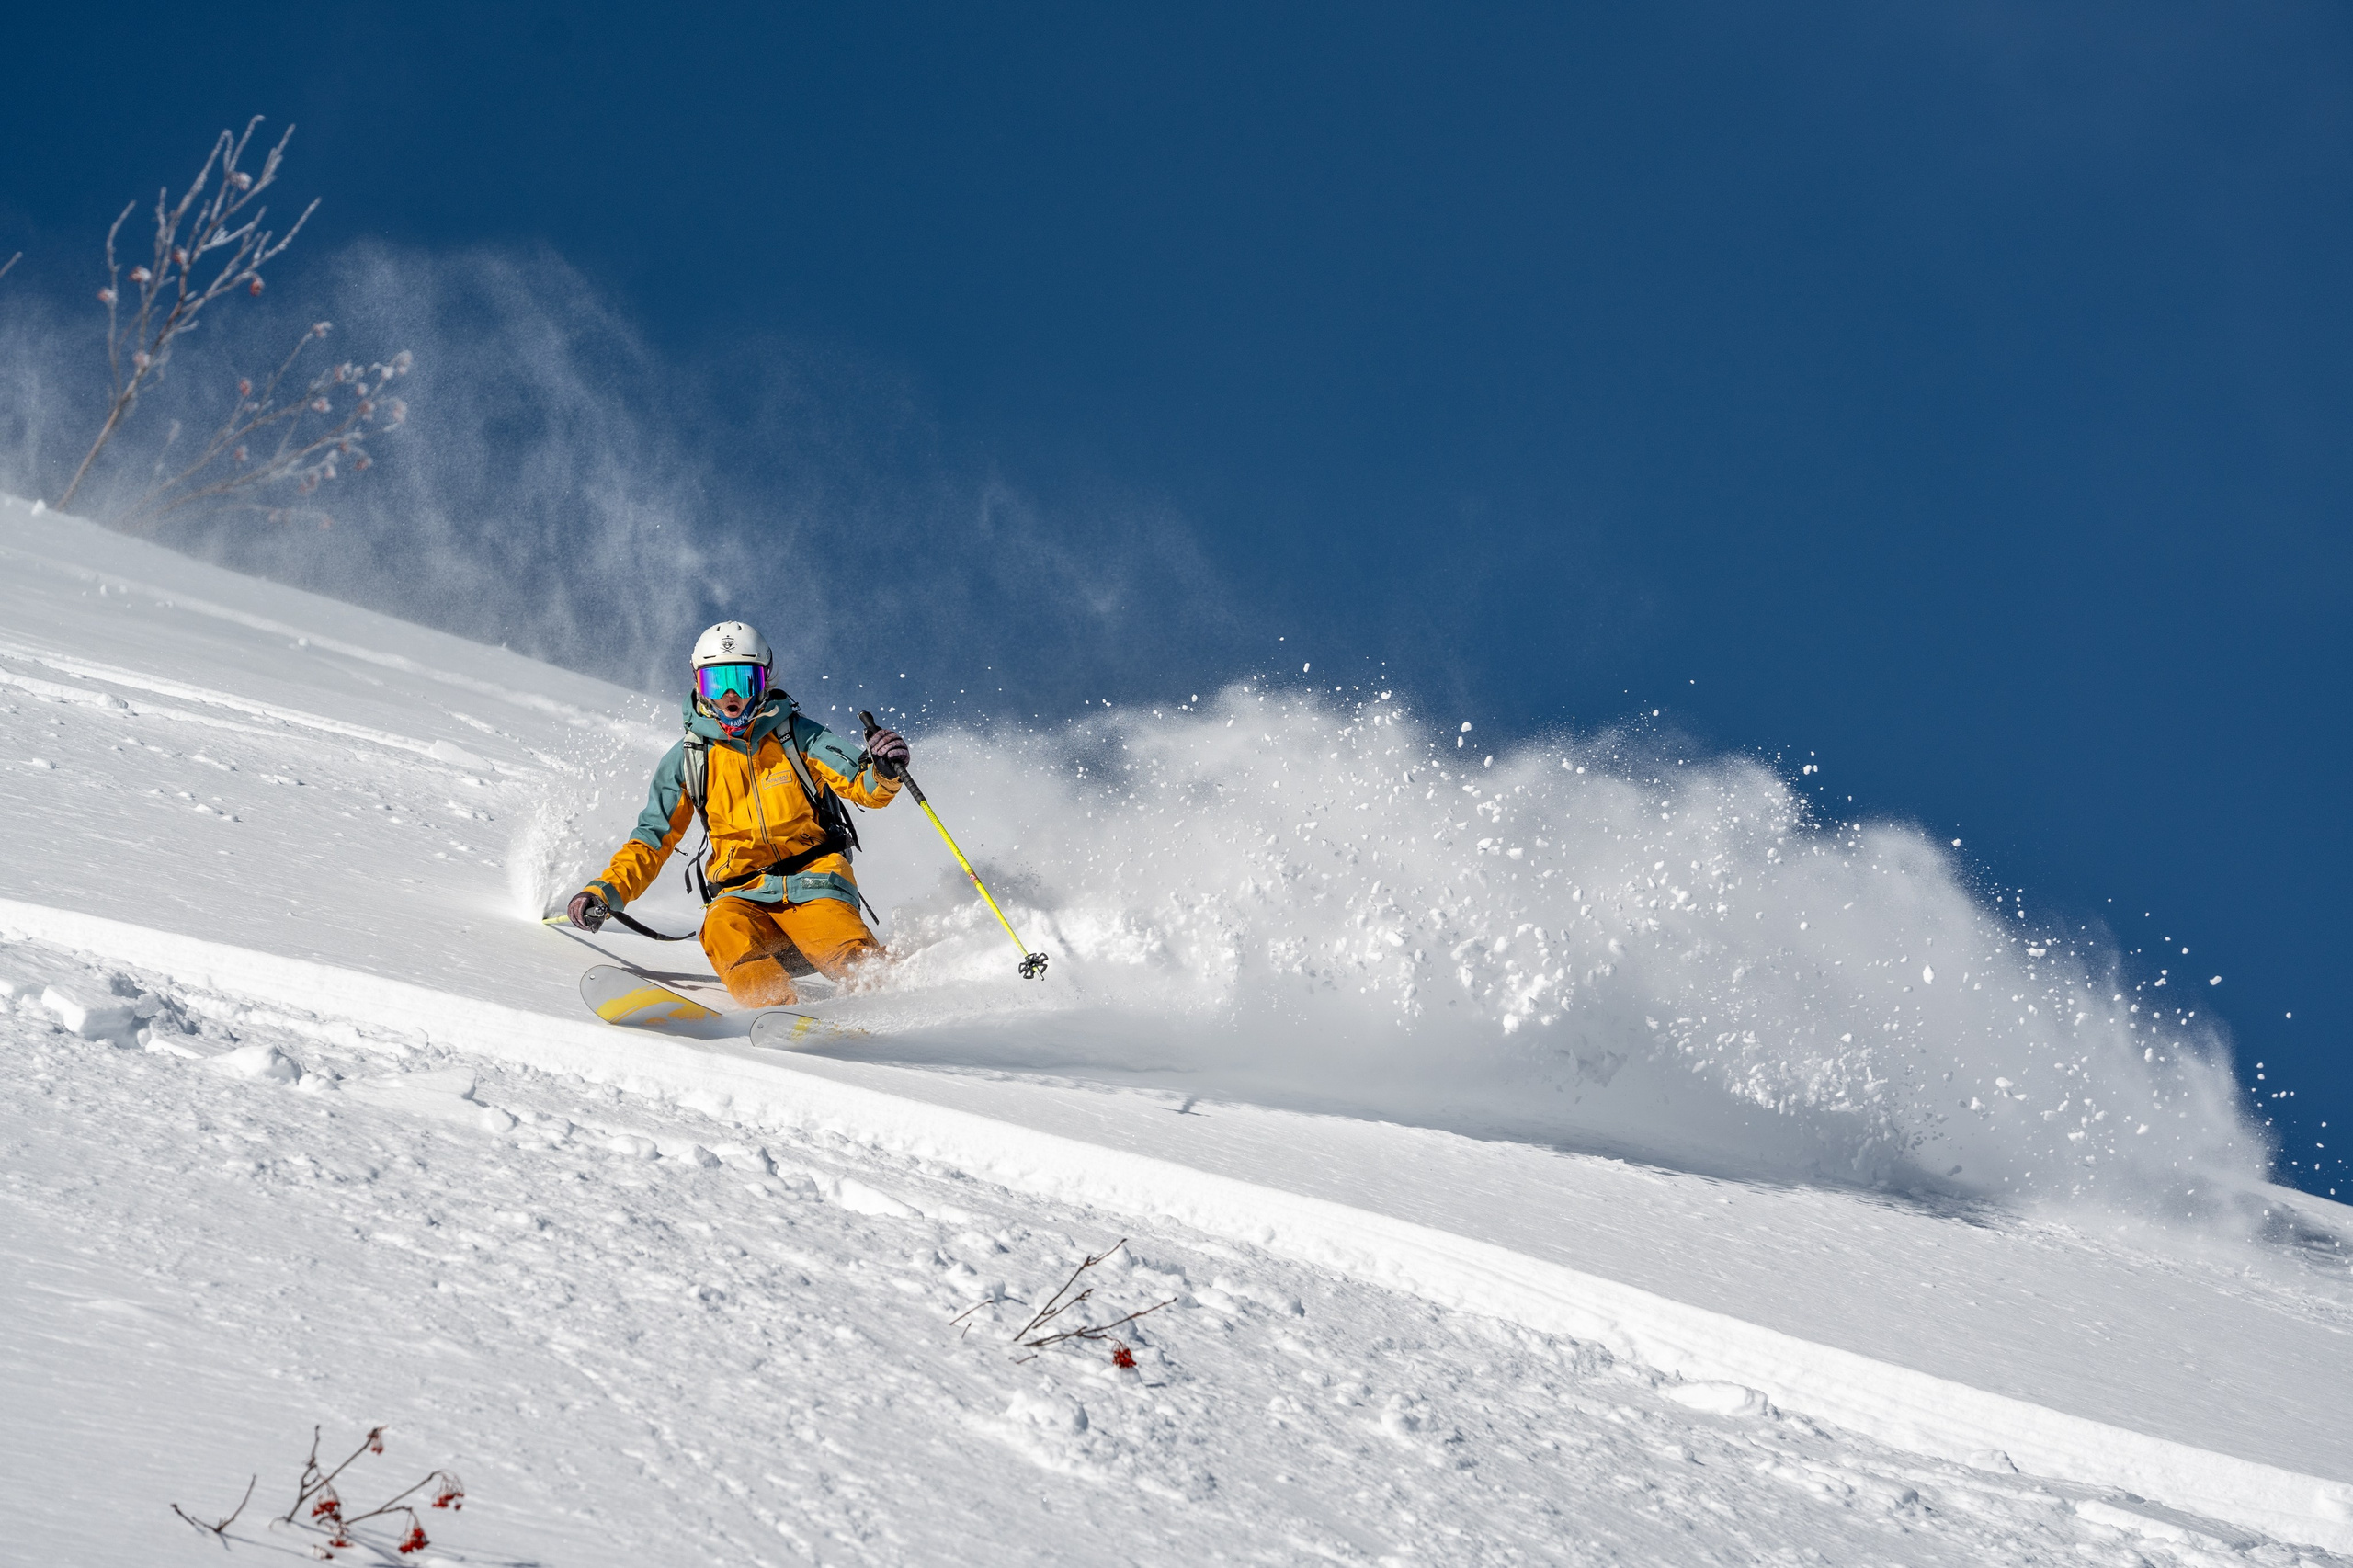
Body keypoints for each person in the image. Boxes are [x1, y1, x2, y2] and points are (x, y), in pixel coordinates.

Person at [566, 620, 909, 1008]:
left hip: (815, 885)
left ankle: (900, 1001)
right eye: (717, 683)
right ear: (700, 685)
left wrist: (883, 768)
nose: (731, 696)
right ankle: (777, 1010)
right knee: (721, 926)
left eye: (743, 681)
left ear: (762, 683)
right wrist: (605, 891)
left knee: (852, 959)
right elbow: (651, 840)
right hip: (741, 894)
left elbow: (865, 787)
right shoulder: (687, 761)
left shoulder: (800, 736)